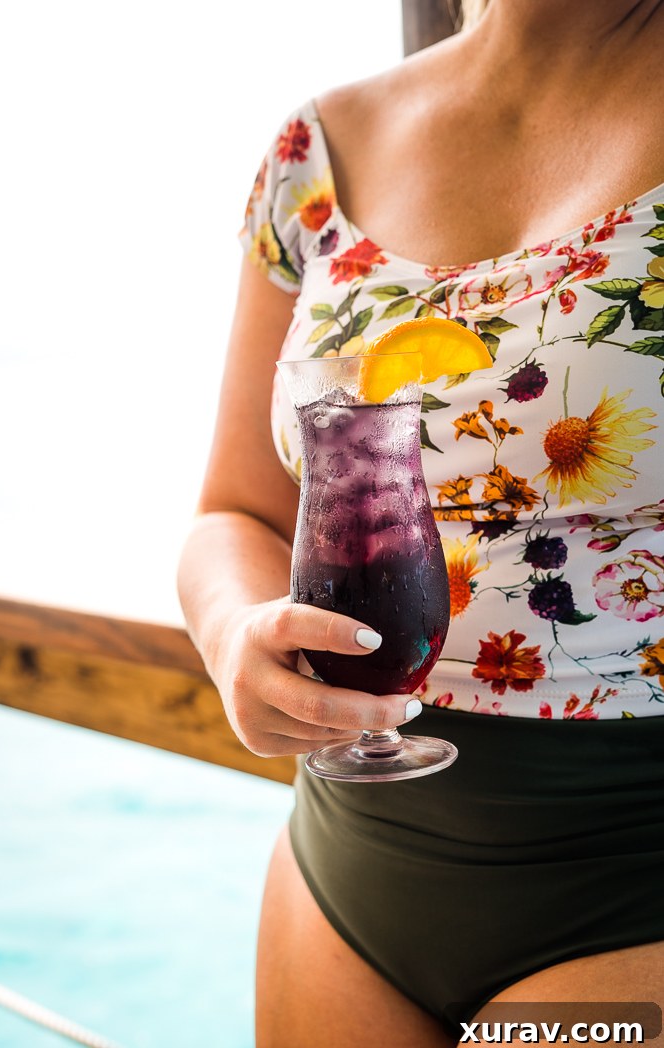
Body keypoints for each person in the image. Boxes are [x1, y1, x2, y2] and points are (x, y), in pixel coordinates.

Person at [177, 1, 664, 1044]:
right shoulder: (318, 149)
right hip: (347, 862)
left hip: (631, 869)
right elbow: (234, 510)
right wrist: (233, 637)